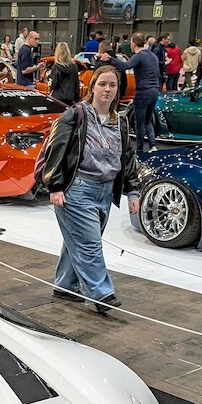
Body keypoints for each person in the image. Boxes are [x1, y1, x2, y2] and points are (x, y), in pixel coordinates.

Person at [40, 64, 140, 312]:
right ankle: (101, 294)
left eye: (112, 85)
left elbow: (127, 158)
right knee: (89, 245)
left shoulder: (120, 121)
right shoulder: (75, 115)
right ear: (92, 87)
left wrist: (133, 191)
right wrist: (55, 186)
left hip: (105, 191)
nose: (107, 89)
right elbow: (56, 150)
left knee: (77, 240)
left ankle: (65, 286)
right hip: (77, 190)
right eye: (102, 84)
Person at [100, 31, 160, 155]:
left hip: (143, 92)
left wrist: (110, 59)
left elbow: (125, 66)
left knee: (140, 123)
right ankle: (153, 145)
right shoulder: (153, 56)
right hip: (154, 91)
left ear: (133, 44)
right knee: (148, 120)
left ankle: (139, 150)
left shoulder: (138, 56)